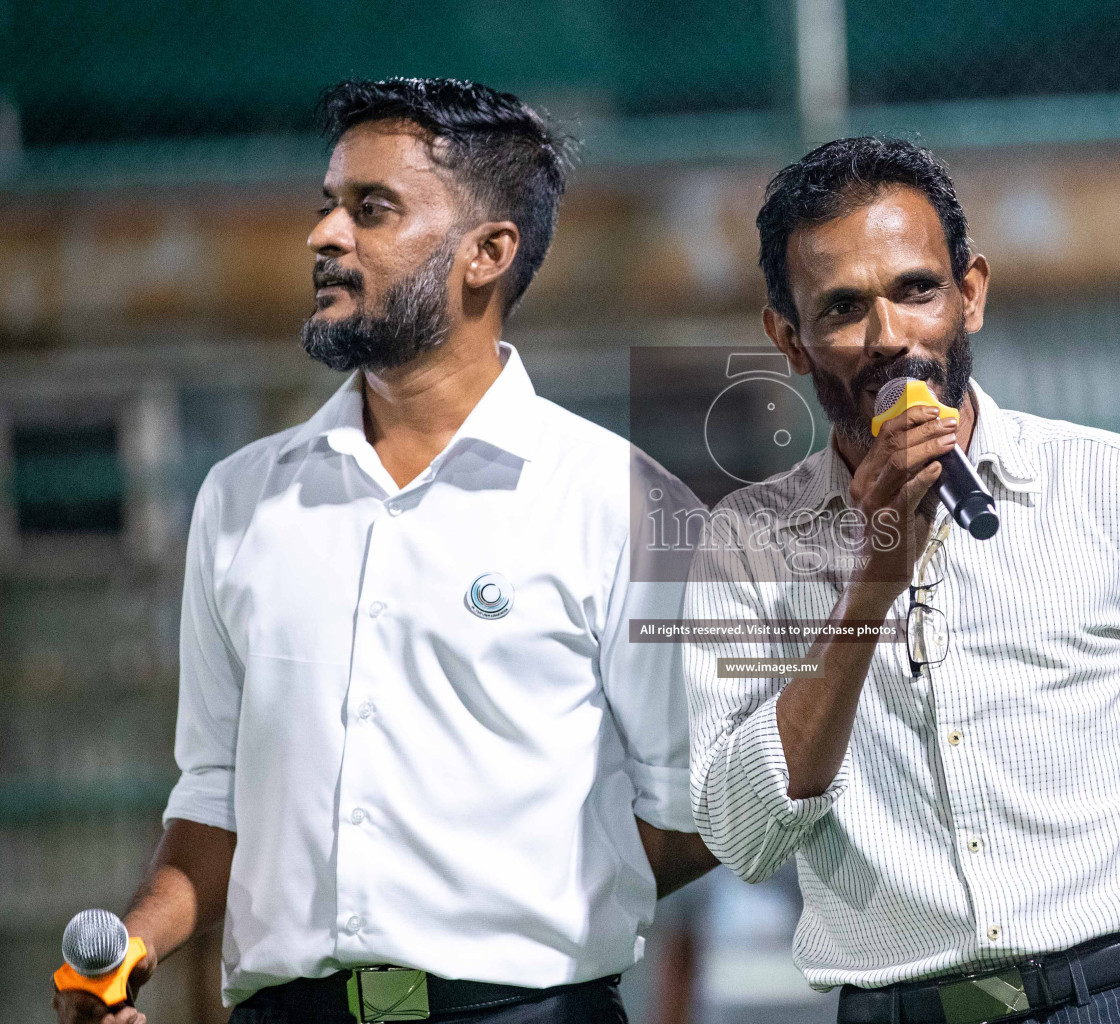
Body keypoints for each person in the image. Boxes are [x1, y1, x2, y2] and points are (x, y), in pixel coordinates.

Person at [54, 77, 715, 1024]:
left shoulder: (621, 500)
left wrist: (524, 918)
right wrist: (139, 945)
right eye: (328, 205)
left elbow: (692, 813)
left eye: (373, 210)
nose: (325, 236)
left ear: (488, 253)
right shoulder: (240, 500)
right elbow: (214, 801)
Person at [681, 137, 1120, 1024]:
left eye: (916, 290)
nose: (890, 337)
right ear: (790, 338)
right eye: (845, 308)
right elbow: (739, 831)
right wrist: (870, 586)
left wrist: (1102, 878)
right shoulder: (747, 545)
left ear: (969, 295)